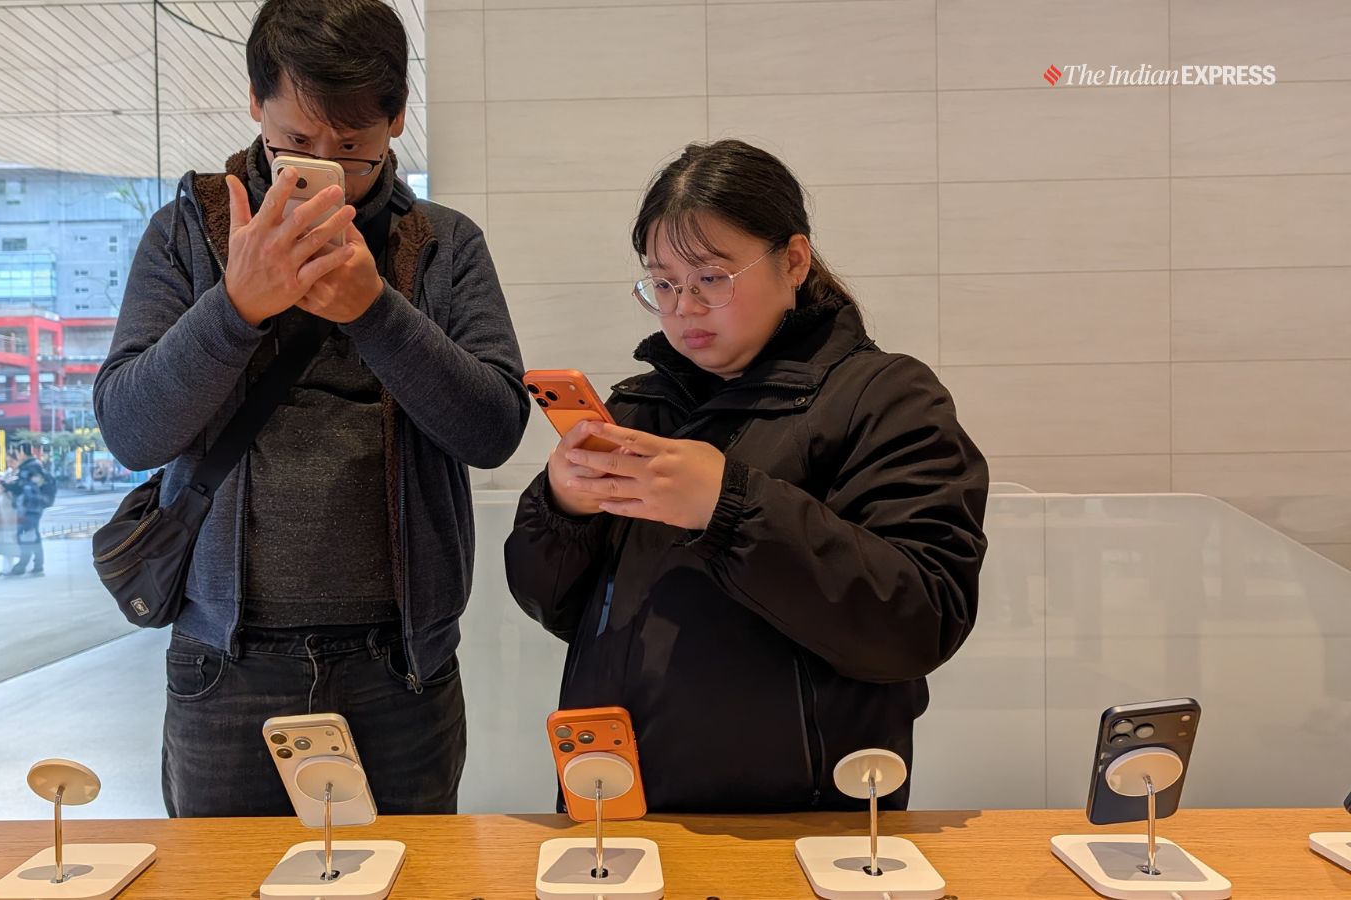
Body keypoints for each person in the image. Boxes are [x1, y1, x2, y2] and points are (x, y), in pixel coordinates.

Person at [94, 0, 528, 819]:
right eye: (295, 143)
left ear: (398, 117)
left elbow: (494, 428)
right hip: (224, 660)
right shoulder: (188, 231)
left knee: (410, 880)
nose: (325, 166)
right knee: (222, 884)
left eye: (355, 149)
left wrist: (375, 309)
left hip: (401, 661)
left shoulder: (443, 244)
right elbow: (129, 429)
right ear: (256, 104)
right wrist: (234, 308)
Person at [504, 140, 990, 813]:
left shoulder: (886, 398)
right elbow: (554, 607)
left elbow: (918, 620)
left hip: (799, 820)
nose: (684, 308)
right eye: (664, 283)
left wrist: (729, 506)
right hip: (617, 802)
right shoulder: (640, 406)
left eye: (710, 278)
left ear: (793, 261)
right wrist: (563, 509)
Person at [1, 442, 54, 577]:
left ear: (22, 453)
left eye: (18, 453)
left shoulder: (28, 468)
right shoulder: (35, 466)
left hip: (29, 507)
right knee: (31, 534)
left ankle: (24, 565)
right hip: (35, 506)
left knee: (26, 535)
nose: (17, 456)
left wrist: (5, 485)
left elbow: (22, 489)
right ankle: (36, 565)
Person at [0, 453, 22, 576]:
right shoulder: (7, 473)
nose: (10, 464)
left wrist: (4, 487)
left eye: (12, 461)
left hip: (13, 513)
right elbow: (0, 489)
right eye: (8, 461)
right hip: (2, 513)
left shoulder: (19, 474)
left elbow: (14, 490)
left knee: (13, 541)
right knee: (5, 542)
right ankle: (6, 568)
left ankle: (18, 566)